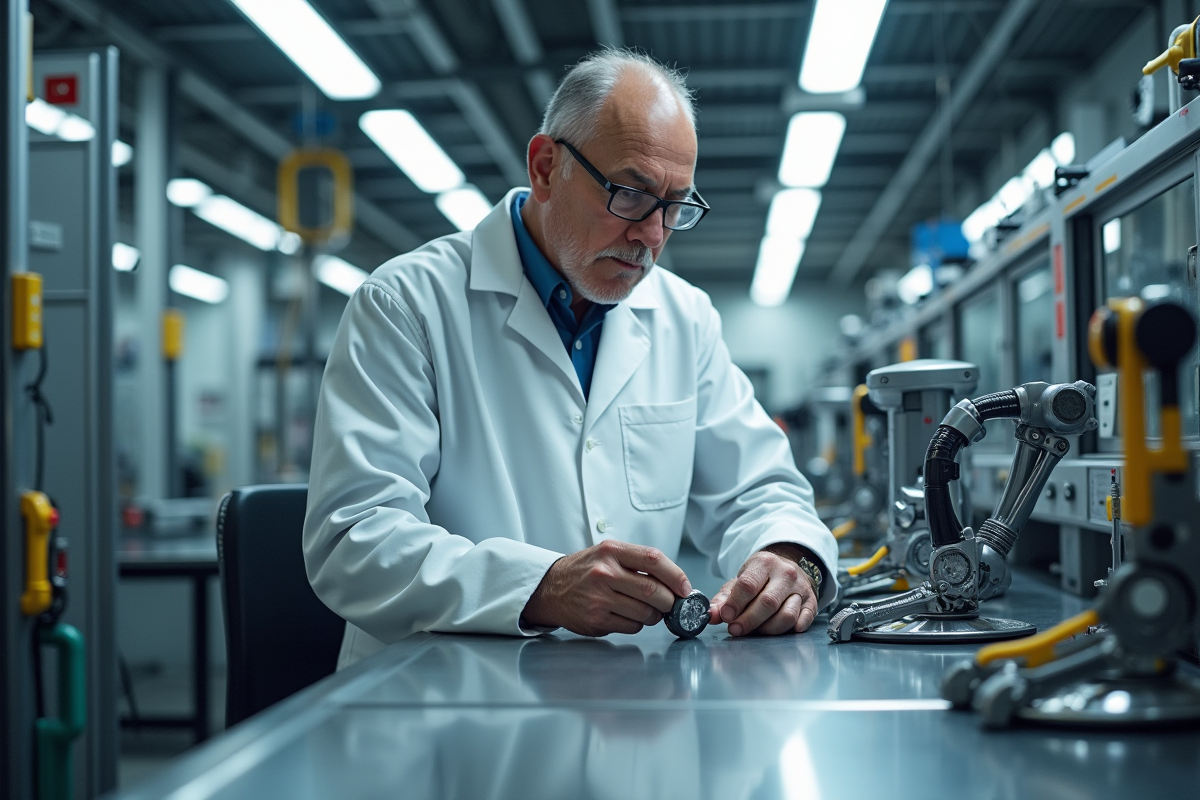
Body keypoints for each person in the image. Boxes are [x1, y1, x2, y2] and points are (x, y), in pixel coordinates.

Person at [303, 49, 838, 667]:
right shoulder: (406, 305)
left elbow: (759, 489)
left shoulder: (683, 318)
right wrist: (539, 587)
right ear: (545, 166)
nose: (653, 235)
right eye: (632, 194)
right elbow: (353, 541)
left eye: (674, 205)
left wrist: (788, 558)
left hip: (627, 708)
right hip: (439, 704)